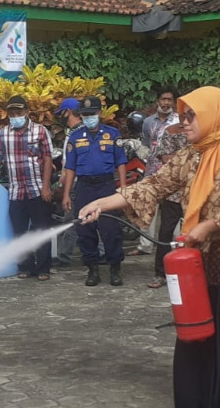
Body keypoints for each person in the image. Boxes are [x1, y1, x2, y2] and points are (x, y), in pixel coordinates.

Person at [78, 86, 220, 408]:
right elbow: (154, 185)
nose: (186, 122)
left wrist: (207, 226)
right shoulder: (193, 154)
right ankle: (197, 406)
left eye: (192, 115)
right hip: (201, 262)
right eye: (184, 115)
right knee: (197, 333)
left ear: (212, 114)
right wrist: (103, 203)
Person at [0, 95, 55, 280]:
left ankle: (43, 269)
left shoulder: (40, 132)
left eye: (19, 112)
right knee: (19, 231)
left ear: (26, 112)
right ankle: (25, 267)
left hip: (37, 189)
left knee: (41, 230)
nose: (15, 116)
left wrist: (46, 186)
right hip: (16, 191)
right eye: (12, 113)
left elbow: (48, 159)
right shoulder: (3, 134)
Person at [61, 96, 127, 286]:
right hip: (84, 188)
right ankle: (92, 270)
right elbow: (70, 168)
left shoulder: (113, 134)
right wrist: (67, 194)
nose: (89, 117)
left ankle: (115, 268)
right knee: (85, 229)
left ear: (99, 113)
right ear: (80, 116)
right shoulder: (75, 137)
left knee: (110, 229)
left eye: (92, 114)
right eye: (85, 115)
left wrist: (122, 189)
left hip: (107, 186)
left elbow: (120, 162)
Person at [133, 88, 179, 256]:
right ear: (157, 101)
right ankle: (145, 245)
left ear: (173, 102)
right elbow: (146, 143)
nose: (166, 103)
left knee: (172, 211)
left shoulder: (178, 121)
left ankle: (176, 245)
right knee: (148, 207)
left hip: (171, 172)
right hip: (152, 170)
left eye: (169, 99)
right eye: (163, 99)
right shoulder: (148, 122)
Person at [148, 119, 189, 288]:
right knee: (165, 233)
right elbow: (166, 158)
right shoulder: (171, 130)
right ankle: (160, 274)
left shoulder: (202, 130)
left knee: (193, 234)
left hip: (194, 194)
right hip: (172, 193)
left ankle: (190, 273)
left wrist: (178, 157)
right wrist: (189, 159)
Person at [54, 98, 84, 267]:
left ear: (68, 112)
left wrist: (61, 186)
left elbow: (67, 165)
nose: (61, 117)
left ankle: (64, 257)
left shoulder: (73, 134)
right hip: (88, 182)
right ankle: (101, 252)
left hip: (75, 183)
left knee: (69, 221)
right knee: (93, 217)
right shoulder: (87, 130)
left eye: (62, 113)